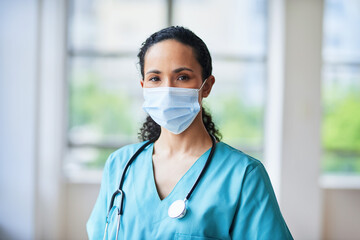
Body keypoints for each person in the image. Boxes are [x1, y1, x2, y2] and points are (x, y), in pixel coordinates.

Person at [87, 26, 293, 240]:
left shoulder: (243, 175)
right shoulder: (120, 165)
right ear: (143, 86)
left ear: (207, 86)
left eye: (182, 77)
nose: (167, 90)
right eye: (155, 78)